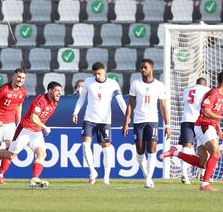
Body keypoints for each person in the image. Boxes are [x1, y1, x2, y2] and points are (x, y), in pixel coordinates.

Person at [0, 82, 62, 187]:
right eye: (57, 90)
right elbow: (33, 118)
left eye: (60, 91)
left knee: (42, 154)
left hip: (36, 132)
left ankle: (35, 179)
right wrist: (45, 127)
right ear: (49, 90)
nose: (59, 93)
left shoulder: (55, 102)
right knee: (11, 155)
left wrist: (41, 127)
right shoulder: (41, 100)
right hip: (24, 130)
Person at [160, 71, 223, 191]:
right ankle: (205, 184)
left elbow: (214, 114)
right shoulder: (214, 92)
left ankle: (175, 153)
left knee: (202, 163)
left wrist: (219, 129)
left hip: (206, 126)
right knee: (216, 154)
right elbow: (206, 112)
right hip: (203, 125)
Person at [72, 62, 127, 185]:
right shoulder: (88, 82)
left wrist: (127, 115)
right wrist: (76, 112)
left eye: (99, 73)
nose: (97, 76)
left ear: (104, 71)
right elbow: (82, 98)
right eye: (95, 74)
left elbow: (120, 100)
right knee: (85, 146)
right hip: (89, 119)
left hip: (105, 120)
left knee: (106, 149)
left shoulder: (113, 84)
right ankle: (93, 172)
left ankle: (106, 177)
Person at [122, 59, 171, 188]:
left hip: (153, 120)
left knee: (152, 149)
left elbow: (163, 107)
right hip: (138, 121)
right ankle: (146, 176)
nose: (143, 70)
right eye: (141, 68)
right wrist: (126, 121)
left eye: (145, 67)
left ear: (151, 69)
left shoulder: (159, 85)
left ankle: (148, 179)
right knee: (139, 150)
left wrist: (167, 125)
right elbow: (131, 104)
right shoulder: (135, 84)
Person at [178, 78, 210, 185]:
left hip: (186, 120)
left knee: (186, 147)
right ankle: (203, 174)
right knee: (206, 147)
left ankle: (184, 174)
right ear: (205, 84)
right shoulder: (207, 90)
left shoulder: (186, 90)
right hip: (200, 121)